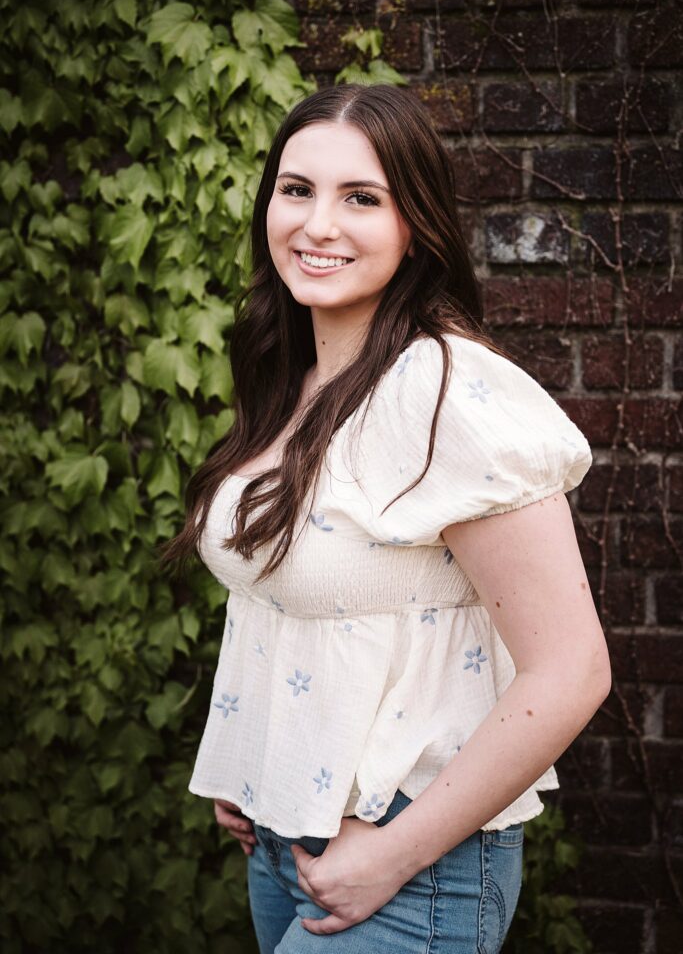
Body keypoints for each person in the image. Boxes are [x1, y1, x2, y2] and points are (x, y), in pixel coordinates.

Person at [161, 84, 611, 953]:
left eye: (360, 198)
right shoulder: (291, 377)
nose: (317, 225)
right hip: (282, 829)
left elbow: (571, 669)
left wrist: (397, 852)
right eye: (296, 190)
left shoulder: (446, 392)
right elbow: (297, 597)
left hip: (409, 859)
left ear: (417, 227)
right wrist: (255, 751)